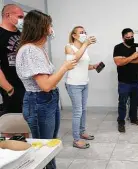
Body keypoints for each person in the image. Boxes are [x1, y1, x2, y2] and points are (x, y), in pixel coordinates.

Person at [16, 10, 76, 169]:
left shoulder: (37, 49)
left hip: (47, 100)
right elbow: (46, 85)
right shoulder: (30, 50)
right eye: (49, 25)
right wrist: (65, 67)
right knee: (44, 149)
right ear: (40, 27)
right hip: (39, 102)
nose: (51, 29)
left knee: (50, 145)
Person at [65, 26, 99, 149]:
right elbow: (74, 59)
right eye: (81, 32)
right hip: (74, 84)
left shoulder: (84, 48)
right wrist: (85, 45)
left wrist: (93, 66)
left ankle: (82, 132)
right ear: (74, 35)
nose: (84, 34)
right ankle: (76, 139)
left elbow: (82, 64)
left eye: (85, 32)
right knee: (77, 111)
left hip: (84, 83)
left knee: (83, 109)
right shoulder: (69, 47)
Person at [113, 28, 138, 133]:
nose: (130, 39)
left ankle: (134, 119)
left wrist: (125, 59)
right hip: (123, 81)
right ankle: (121, 121)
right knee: (122, 102)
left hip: (136, 81)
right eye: (128, 37)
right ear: (123, 38)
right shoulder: (118, 47)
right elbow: (118, 63)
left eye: (132, 37)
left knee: (135, 102)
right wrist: (132, 57)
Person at [0, 4, 25, 114]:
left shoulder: (21, 34)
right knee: (10, 123)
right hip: (10, 86)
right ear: (8, 15)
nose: (22, 20)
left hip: (25, 84)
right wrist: (9, 89)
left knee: (25, 121)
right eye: (20, 17)